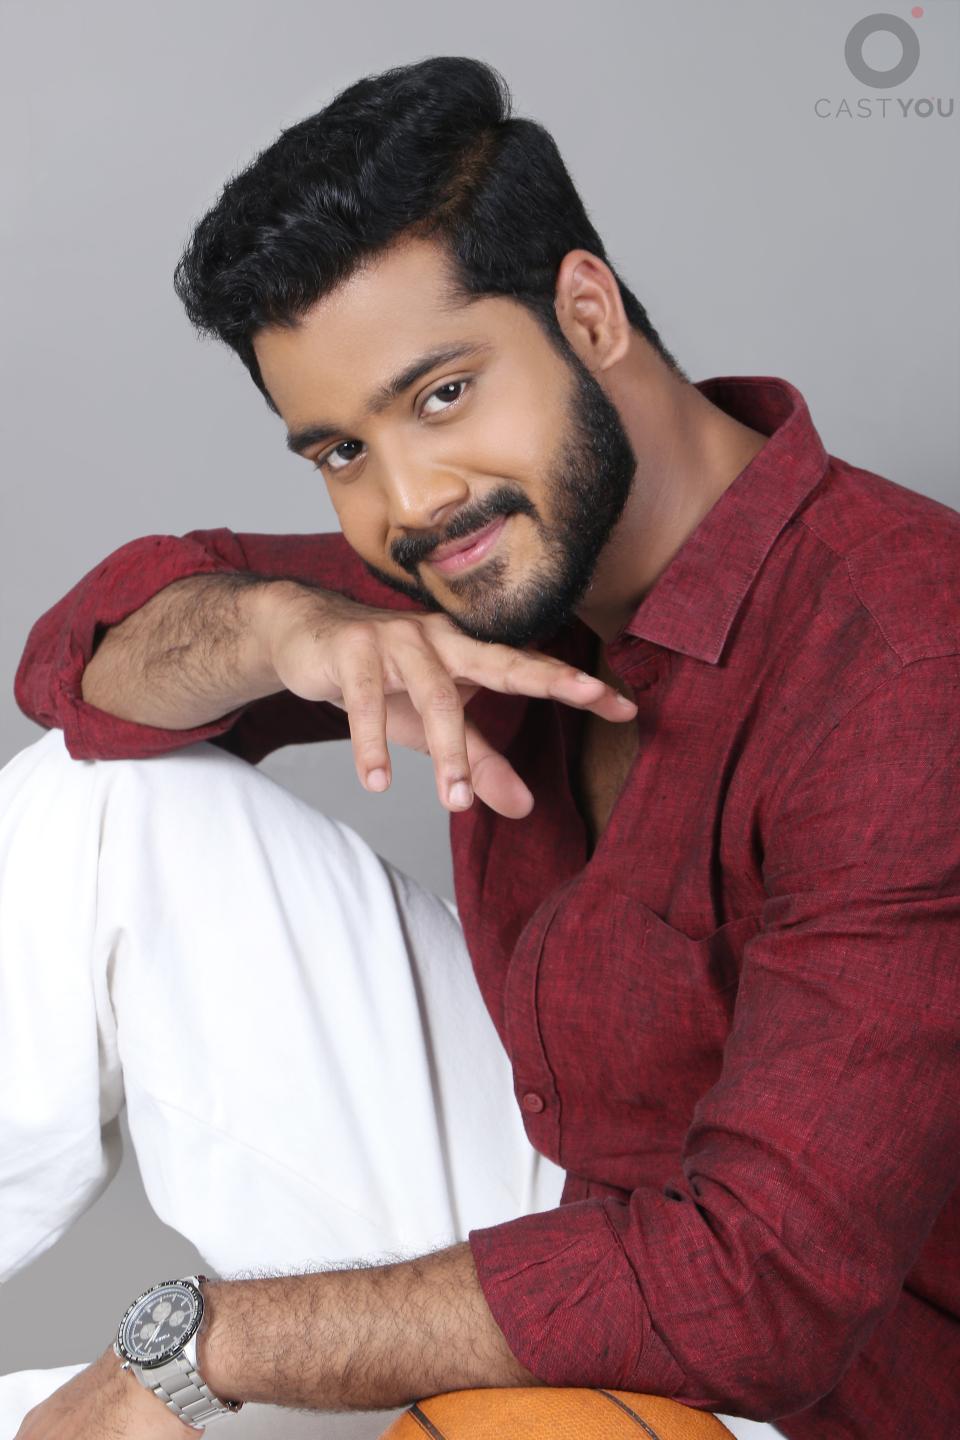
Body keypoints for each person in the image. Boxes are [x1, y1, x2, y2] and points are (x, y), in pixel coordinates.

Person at [3, 51, 959, 1440]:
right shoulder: (488, 550)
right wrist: (283, 628)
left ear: (587, 313)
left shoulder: (909, 659)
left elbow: (767, 1292)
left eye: (442, 394)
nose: (408, 499)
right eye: (340, 451)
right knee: (103, 806)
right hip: (578, 1192)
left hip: (825, 1376)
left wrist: (208, 1344)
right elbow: (79, 670)